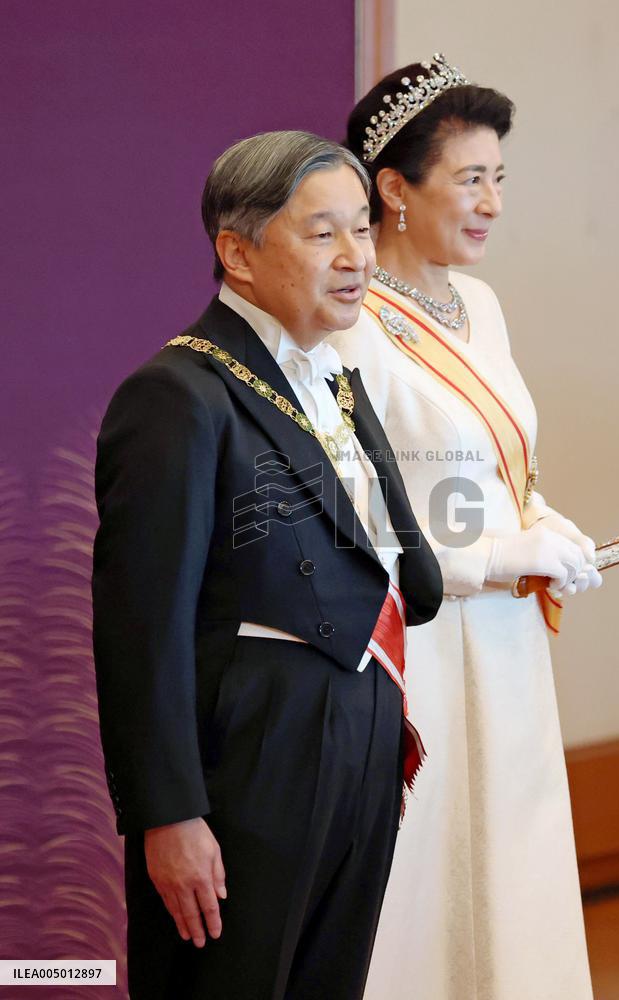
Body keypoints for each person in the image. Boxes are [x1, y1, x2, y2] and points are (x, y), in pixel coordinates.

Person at [91, 130, 443, 1000]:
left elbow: (406, 570)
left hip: (361, 729)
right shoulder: (175, 394)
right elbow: (143, 628)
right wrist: (168, 813)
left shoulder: (336, 379)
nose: (356, 256)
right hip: (253, 751)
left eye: (363, 229)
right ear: (236, 252)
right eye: (322, 234)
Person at [328, 55, 601, 999]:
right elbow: (350, 521)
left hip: (508, 634)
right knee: (432, 864)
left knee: (514, 851)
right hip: (423, 639)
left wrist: (542, 522)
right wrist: (493, 554)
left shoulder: (478, 302)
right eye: (468, 179)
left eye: (499, 179)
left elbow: (495, 465)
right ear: (393, 189)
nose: (489, 203)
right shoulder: (348, 324)